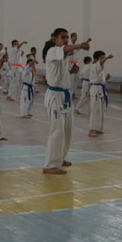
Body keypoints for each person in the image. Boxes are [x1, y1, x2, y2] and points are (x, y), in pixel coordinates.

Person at [43, 28, 90, 174]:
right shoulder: (52, 51)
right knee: (57, 130)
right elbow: (65, 49)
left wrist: (72, 71)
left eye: (67, 37)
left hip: (65, 96)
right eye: (63, 37)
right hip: (55, 96)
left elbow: (60, 72)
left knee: (67, 129)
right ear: (55, 39)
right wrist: (79, 45)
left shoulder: (65, 56)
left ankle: (61, 158)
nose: (66, 40)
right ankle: (50, 165)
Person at [88, 51, 114, 137]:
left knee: (101, 109)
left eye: (104, 57)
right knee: (95, 109)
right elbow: (100, 63)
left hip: (100, 89)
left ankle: (98, 128)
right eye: (102, 58)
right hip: (95, 89)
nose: (103, 60)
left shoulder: (100, 68)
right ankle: (92, 129)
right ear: (96, 59)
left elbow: (100, 80)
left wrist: (106, 78)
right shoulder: (94, 66)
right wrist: (107, 57)